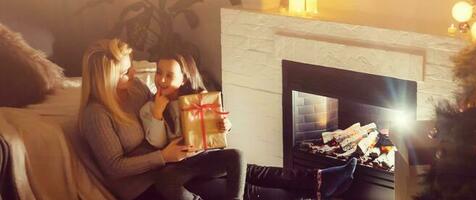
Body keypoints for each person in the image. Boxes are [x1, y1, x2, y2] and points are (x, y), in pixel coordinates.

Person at [78, 38, 354, 200]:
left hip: (174, 161)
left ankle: (316, 180)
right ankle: (312, 190)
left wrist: (211, 127)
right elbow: (114, 167)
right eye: (126, 71)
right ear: (107, 77)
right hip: (147, 185)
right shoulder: (96, 115)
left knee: (244, 166)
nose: (134, 74)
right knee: (240, 185)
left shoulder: (135, 89)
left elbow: (161, 111)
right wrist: (163, 157)